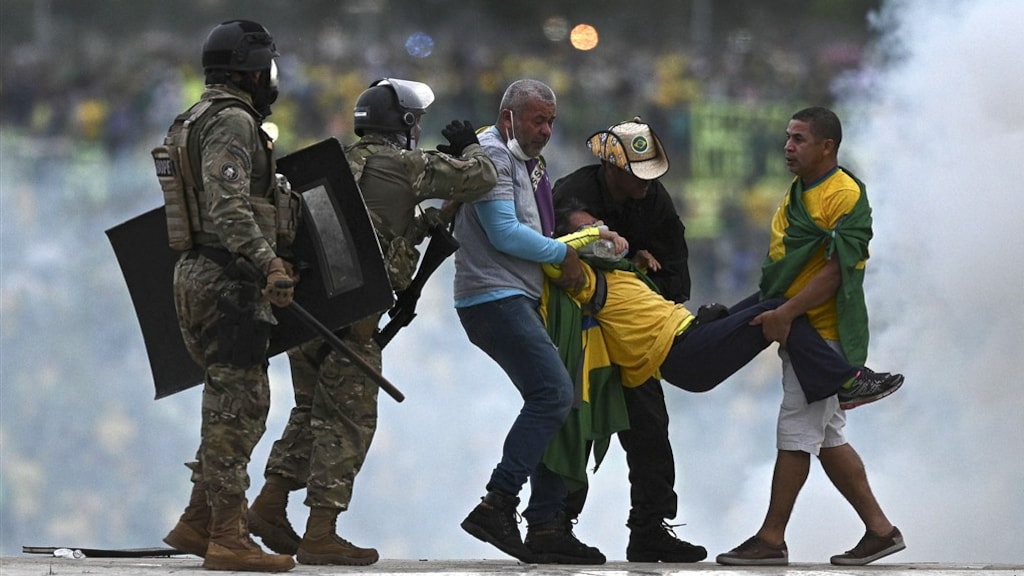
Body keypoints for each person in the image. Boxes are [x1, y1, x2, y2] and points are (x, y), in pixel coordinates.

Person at [245, 78, 498, 566]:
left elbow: (373, 230)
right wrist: (470, 147)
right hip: (354, 325)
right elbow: (481, 178)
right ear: (404, 124)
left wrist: (427, 222)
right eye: (416, 121)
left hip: (309, 316)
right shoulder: (406, 165)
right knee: (348, 422)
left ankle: (270, 505)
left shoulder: (334, 162)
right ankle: (322, 531)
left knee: (310, 412)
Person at [716, 106, 906, 566]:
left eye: (799, 139)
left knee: (796, 433)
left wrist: (787, 312)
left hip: (824, 334)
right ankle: (881, 532)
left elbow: (837, 270)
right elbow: (788, 264)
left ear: (828, 147)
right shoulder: (800, 191)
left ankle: (771, 539)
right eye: (787, 137)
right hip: (797, 325)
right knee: (828, 440)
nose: (788, 146)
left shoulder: (844, 194)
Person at [160, 19, 297, 572]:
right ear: (250, 70)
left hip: (196, 271)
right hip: (228, 278)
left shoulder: (190, 117)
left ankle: (197, 520)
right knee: (237, 411)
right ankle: (226, 537)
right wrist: (269, 263)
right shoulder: (233, 122)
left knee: (228, 405)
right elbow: (227, 205)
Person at [452, 78, 605, 565]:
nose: (546, 130)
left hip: (516, 296)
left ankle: (543, 523)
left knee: (552, 402)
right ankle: (498, 503)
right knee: (554, 394)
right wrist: (565, 252)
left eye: (551, 121)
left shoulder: (524, 162)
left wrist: (587, 240)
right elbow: (504, 234)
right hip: (493, 298)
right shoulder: (494, 157)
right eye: (538, 119)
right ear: (507, 117)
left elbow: (534, 230)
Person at [552, 117, 704, 562]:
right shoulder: (573, 192)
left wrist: (640, 275)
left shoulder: (655, 202)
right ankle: (554, 524)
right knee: (575, 426)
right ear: (611, 168)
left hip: (633, 337)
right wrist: (621, 255)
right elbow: (565, 242)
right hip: (584, 335)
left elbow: (677, 277)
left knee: (650, 428)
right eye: (638, 174)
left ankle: (650, 529)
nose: (647, 183)